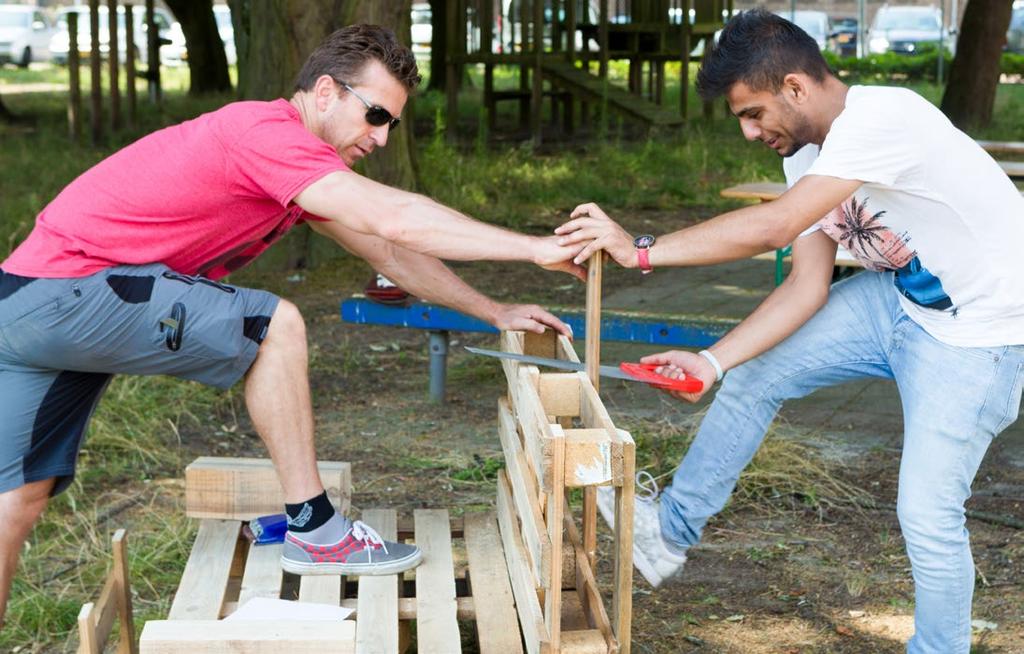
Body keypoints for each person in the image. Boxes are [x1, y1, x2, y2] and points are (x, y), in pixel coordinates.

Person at [0, 24, 585, 626]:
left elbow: (387, 250)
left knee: (15, 502)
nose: (382, 137)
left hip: (19, 304)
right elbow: (397, 218)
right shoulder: (268, 133)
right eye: (376, 114)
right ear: (326, 91)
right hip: (67, 293)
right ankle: (317, 529)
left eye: (393, 124)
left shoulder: (296, 167)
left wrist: (493, 311)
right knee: (275, 325)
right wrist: (535, 247)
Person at [556, 10, 1024, 654]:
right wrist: (711, 362)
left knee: (928, 515)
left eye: (754, 114)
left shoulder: (886, 117)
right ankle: (668, 532)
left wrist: (640, 249)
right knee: (755, 369)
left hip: (982, 337)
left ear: (797, 88)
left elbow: (773, 229)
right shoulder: (804, 151)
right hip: (899, 304)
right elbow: (806, 284)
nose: (750, 132)